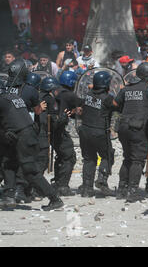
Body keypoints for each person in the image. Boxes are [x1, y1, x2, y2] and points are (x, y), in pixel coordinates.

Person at [0, 78, 64, 211]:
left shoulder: (2, 100)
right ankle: (9, 195)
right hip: (23, 134)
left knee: (30, 171)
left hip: (22, 136)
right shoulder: (12, 97)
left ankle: (54, 199)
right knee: (8, 163)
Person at [113, 62, 148, 203]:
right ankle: (133, 191)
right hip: (139, 128)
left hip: (123, 126)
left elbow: (115, 103)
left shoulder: (127, 89)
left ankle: (121, 190)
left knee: (127, 158)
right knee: (137, 160)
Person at [78, 71, 118, 197]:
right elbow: (118, 105)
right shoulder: (108, 98)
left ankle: (86, 188)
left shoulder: (88, 94)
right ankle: (102, 180)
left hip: (85, 130)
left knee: (89, 159)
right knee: (108, 155)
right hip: (99, 131)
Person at [50, 70, 81, 195]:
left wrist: (71, 112)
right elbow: (83, 104)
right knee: (69, 156)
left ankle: (57, 182)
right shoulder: (69, 95)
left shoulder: (55, 92)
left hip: (50, 129)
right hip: (59, 130)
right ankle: (62, 186)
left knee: (61, 155)